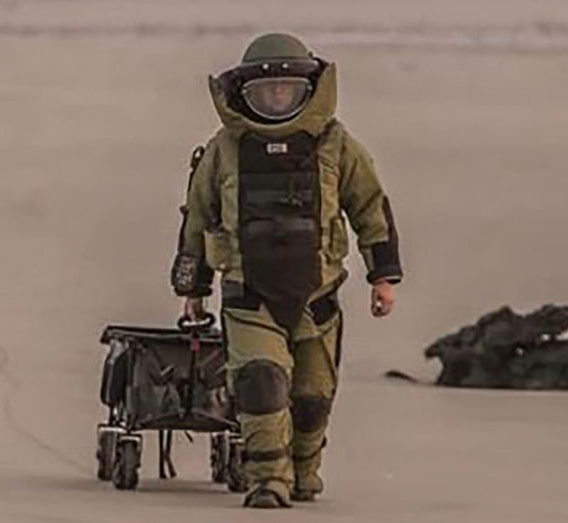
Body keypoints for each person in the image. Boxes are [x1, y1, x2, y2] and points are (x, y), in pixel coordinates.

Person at [170, 33, 403, 508]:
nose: (278, 100)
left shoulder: (337, 145)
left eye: (288, 91)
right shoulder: (224, 149)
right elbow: (197, 217)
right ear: (245, 93)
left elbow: (370, 210)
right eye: (266, 93)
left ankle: (302, 472)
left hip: (317, 297)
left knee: (312, 397)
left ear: (309, 90)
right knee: (260, 381)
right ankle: (267, 481)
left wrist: (384, 277)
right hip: (247, 293)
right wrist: (193, 288)